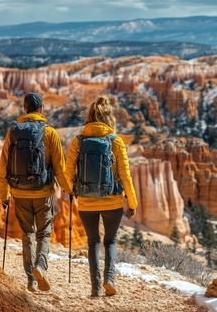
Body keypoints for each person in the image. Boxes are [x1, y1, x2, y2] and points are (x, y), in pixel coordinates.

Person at [0, 92, 74, 292]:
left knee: (27, 233)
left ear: (24, 109)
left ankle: (30, 278)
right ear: (41, 109)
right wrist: (69, 189)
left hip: (19, 192)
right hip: (43, 192)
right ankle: (41, 266)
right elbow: (59, 168)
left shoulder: (13, 132)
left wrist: (3, 195)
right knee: (44, 233)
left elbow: (3, 166)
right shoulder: (50, 133)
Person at [65, 95, 138, 297]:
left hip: (86, 203)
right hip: (112, 201)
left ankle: (95, 286)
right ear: (109, 118)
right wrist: (132, 203)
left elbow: (67, 173)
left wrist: (72, 191)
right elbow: (125, 176)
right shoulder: (116, 141)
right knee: (110, 241)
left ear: (89, 116)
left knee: (93, 242)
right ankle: (110, 280)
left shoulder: (78, 141)